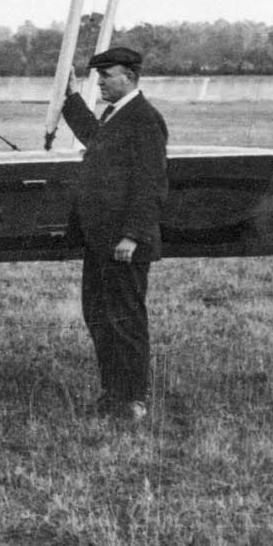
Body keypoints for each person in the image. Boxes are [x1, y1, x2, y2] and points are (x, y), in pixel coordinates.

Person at [60, 46, 167, 422]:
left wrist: (133, 236)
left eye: (108, 75)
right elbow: (95, 139)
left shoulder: (144, 119)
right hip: (101, 241)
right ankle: (113, 395)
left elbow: (151, 184)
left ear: (131, 77)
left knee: (125, 320)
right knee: (101, 317)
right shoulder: (118, 116)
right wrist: (69, 98)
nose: (101, 82)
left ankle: (132, 400)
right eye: (99, 76)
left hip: (124, 244)